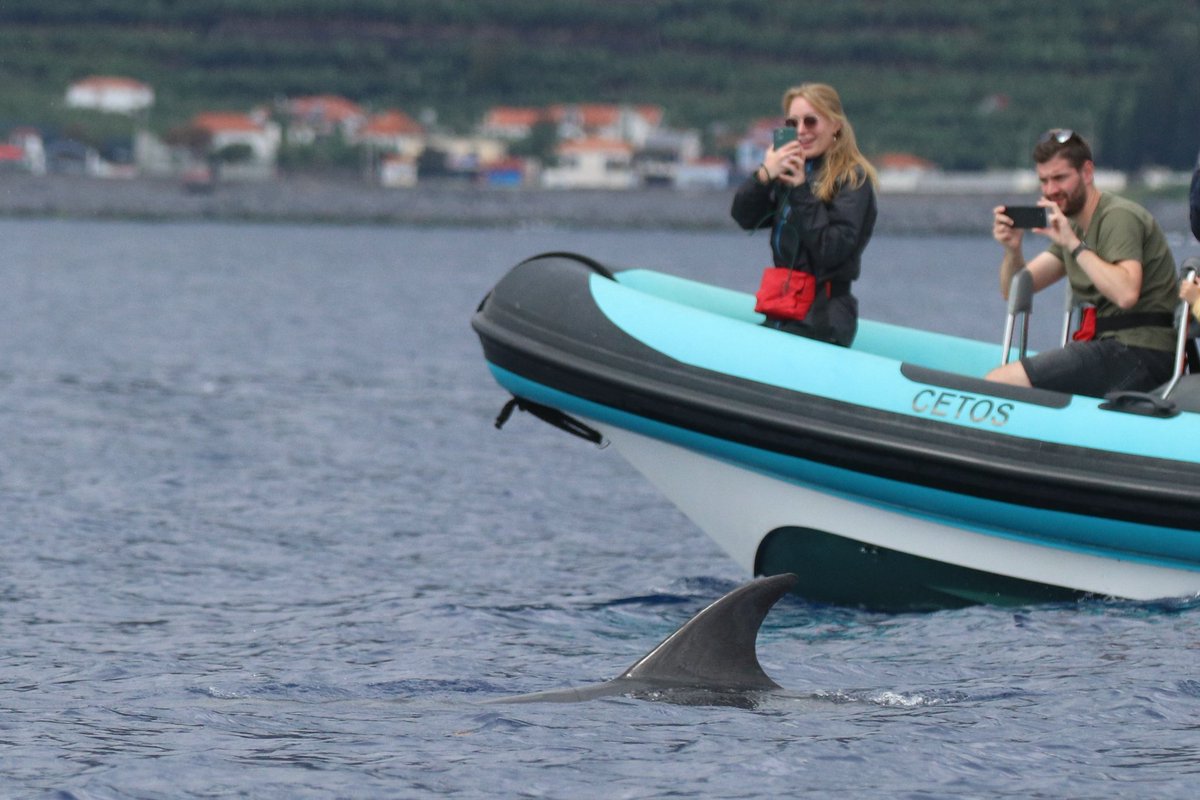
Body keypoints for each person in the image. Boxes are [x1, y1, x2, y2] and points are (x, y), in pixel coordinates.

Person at [987, 129, 1178, 398]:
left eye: (1060, 178)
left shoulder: (1118, 217)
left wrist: (1073, 244)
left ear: (1087, 172)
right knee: (1005, 380)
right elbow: (1016, 289)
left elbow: (1126, 294)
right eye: (1044, 181)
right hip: (1111, 348)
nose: (1051, 190)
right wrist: (1013, 250)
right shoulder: (1073, 228)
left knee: (999, 381)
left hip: (1141, 352)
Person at [730, 83, 878, 347]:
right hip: (783, 306)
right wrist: (765, 174)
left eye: (811, 122)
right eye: (792, 122)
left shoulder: (853, 179)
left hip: (823, 317)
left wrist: (800, 189)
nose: (800, 132)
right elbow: (744, 217)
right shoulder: (791, 172)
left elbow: (832, 250)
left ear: (835, 125)